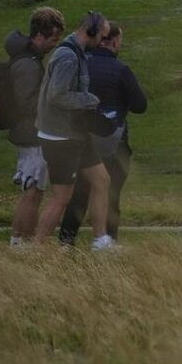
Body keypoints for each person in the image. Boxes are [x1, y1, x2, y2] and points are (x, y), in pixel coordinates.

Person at [58, 22, 148, 245]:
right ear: (114, 41)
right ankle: (107, 241)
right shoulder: (121, 70)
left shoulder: (81, 64)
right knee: (111, 193)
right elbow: (140, 105)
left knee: (79, 194)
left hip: (80, 138)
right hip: (114, 141)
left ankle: (66, 241)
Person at [34, 11, 117, 250]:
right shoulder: (68, 56)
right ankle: (37, 249)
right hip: (60, 137)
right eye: (101, 37)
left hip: (76, 132)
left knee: (101, 180)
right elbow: (57, 95)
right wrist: (90, 100)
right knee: (62, 197)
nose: (103, 42)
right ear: (90, 32)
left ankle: (100, 242)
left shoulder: (78, 52)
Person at [4, 6, 66, 246]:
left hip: (28, 133)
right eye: (53, 39)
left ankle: (19, 242)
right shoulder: (28, 65)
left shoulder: (28, 60)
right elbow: (28, 103)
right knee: (33, 191)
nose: (54, 44)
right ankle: (22, 242)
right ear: (39, 35)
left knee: (33, 190)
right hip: (33, 135)